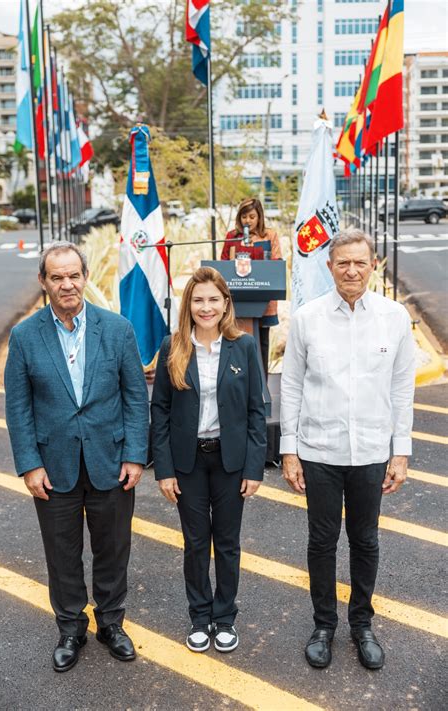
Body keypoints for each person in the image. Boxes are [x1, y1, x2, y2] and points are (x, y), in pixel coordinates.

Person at [5, 241, 149, 672]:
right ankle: (70, 627)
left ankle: (110, 623)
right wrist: (29, 464)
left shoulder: (118, 328)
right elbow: (18, 406)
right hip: (53, 468)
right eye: (57, 277)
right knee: (61, 553)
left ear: (85, 277)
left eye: (74, 275)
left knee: (113, 549)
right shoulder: (25, 336)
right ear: (44, 282)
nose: (67, 284)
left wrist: (136, 456)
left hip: (112, 461)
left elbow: (135, 398)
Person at [280, 229, 415, 671]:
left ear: (372, 265)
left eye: (360, 262)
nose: (351, 270)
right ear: (329, 266)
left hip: (372, 452)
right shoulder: (308, 317)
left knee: (365, 540)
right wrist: (289, 450)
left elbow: (401, 388)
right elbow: (292, 384)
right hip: (319, 451)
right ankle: (324, 626)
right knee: (321, 542)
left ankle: (362, 624)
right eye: (343, 263)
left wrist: (401, 452)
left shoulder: (394, 318)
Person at [151, 266, 267, 654]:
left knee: (228, 542)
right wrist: (164, 469)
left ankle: (225, 617)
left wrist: (254, 467)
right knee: (196, 543)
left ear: (225, 303)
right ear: (189, 305)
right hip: (188, 462)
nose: (206, 307)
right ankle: (200, 617)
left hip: (230, 460)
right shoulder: (173, 347)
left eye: (213, 299)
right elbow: (161, 411)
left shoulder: (244, 346)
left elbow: (256, 411)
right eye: (198, 300)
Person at [221, 197, 282, 378]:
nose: (247, 221)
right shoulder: (232, 237)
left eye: (252, 217)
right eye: (244, 217)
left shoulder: (270, 236)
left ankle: (262, 384)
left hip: (264, 301)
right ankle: (238, 381)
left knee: (262, 342)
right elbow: (224, 263)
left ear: (260, 217)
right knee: (237, 341)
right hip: (238, 301)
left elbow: (276, 264)